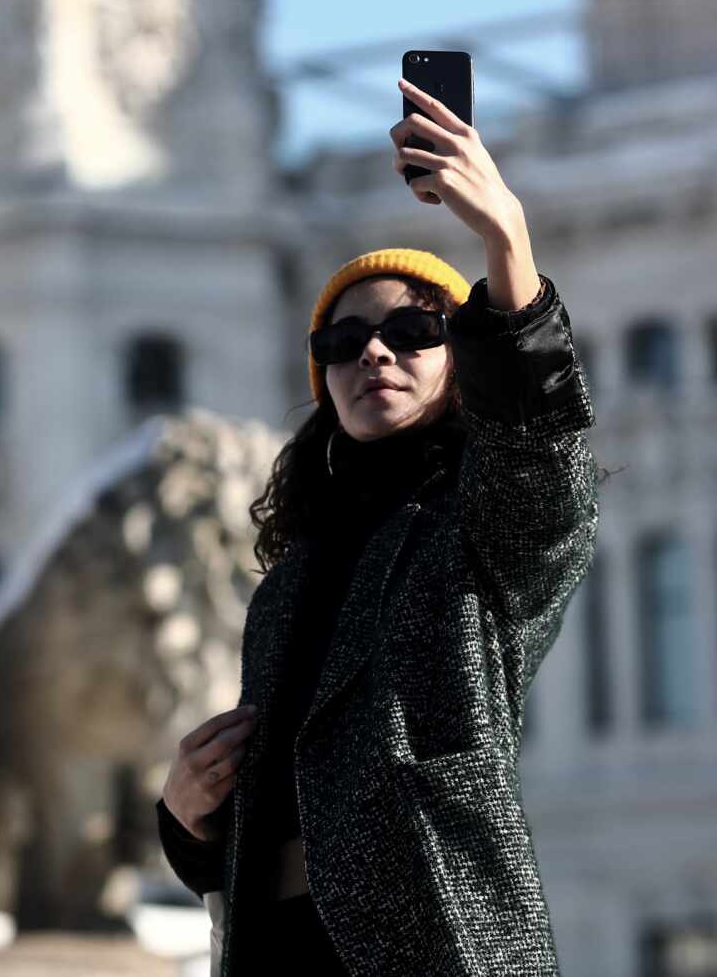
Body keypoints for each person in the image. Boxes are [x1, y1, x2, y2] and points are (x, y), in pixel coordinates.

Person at [157, 78, 599, 976]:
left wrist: (504, 240)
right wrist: (185, 813)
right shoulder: (288, 583)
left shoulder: (478, 534)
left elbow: (542, 458)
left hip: (433, 944)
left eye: (411, 329)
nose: (375, 352)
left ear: (463, 359)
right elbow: (284, 801)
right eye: (342, 341)